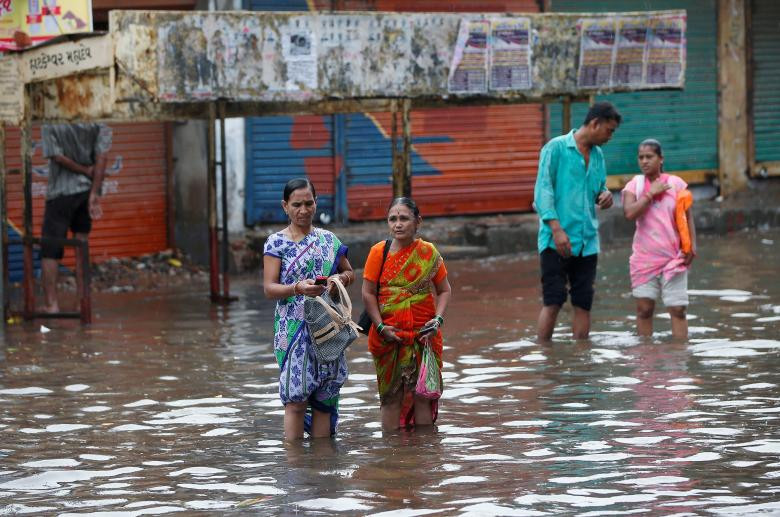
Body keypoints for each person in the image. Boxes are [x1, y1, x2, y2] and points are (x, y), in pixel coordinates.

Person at [262, 178, 355, 440]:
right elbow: (269, 288)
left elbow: (349, 272)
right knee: (295, 401)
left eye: (309, 203)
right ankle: (295, 470)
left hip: (327, 328)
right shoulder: (276, 243)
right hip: (293, 331)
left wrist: (338, 281)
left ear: (316, 203)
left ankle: (322, 466)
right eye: (297, 204)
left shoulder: (328, 240)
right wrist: (298, 288)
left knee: (325, 399)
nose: (303, 210)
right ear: (285, 206)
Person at [533, 101, 621, 341]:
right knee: (554, 300)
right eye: (609, 130)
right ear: (595, 123)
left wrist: (605, 196)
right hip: (555, 240)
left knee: (584, 302)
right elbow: (543, 192)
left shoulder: (598, 155)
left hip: (587, 240)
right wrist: (556, 229)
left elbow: (598, 188)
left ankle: (582, 362)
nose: (610, 136)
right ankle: (545, 359)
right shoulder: (556, 148)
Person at [361, 197, 452, 431]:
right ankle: (393, 458)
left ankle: (423, 457)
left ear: (417, 222)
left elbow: (444, 290)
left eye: (404, 218)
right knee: (391, 398)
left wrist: (438, 319)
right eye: (393, 219)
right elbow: (368, 293)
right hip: (388, 338)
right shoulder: (378, 253)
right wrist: (381, 327)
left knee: (423, 394)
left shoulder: (427, 253)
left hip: (424, 337)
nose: (398, 224)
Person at [622, 139, 696, 339]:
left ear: (661, 159)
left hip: (674, 256)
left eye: (649, 157)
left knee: (678, 309)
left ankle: (679, 361)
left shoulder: (676, 184)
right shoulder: (634, 185)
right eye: (641, 157)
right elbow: (629, 213)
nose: (644, 161)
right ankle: (646, 360)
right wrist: (650, 194)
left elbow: (687, 216)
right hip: (644, 259)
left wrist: (692, 246)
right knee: (644, 310)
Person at [41, 123, 112, 313]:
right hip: (85, 192)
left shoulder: (50, 120)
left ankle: (51, 305)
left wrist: (82, 170)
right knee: (82, 246)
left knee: (50, 250)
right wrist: (94, 194)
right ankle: (83, 302)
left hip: (59, 194)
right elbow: (102, 157)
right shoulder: (98, 120)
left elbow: (56, 156)